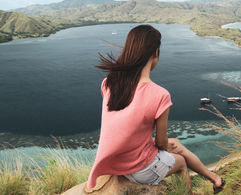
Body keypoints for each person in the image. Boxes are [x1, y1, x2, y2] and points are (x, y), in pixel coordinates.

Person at [86, 24, 225, 194]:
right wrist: (164, 146)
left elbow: (123, 121)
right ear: (155, 54)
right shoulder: (160, 95)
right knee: (180, 161)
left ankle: (215, 179)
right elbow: (160, 143)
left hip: (114, 161)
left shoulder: (109, 83)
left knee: (176, 144)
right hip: (136, 168)